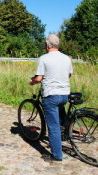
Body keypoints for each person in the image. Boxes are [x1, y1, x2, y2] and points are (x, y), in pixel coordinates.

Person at [29, 34, 73, 162]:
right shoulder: (66, 58)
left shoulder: (44, 58)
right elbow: (69, 74)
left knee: (53, 126)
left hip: (51, 95)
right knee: (60, 118)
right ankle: (63, 137)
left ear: (47, 45)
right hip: (64, 94)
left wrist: (32, 82)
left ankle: (57, 156)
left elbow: (38, 78)